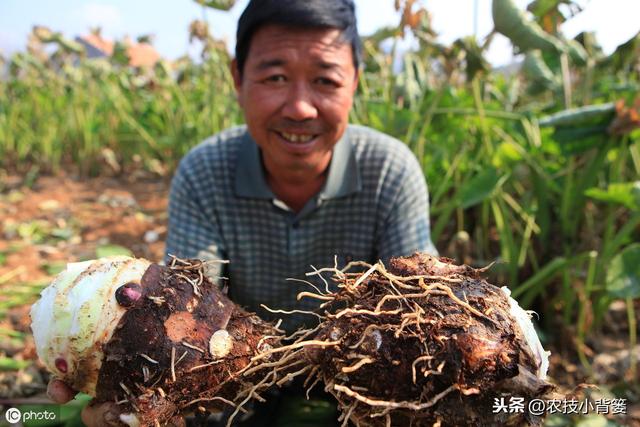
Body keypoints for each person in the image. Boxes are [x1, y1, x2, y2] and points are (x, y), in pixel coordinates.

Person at [47, 0, 437, 425]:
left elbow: (420, 301)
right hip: (238, 384)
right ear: (238, 77)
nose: (300, 108)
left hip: (362, 386)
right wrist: (122, 360)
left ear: (354, 83)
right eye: (276, 77)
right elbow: (185, 304)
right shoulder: (206, 170)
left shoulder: (389, 170)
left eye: (325, 79)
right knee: (59, 417)